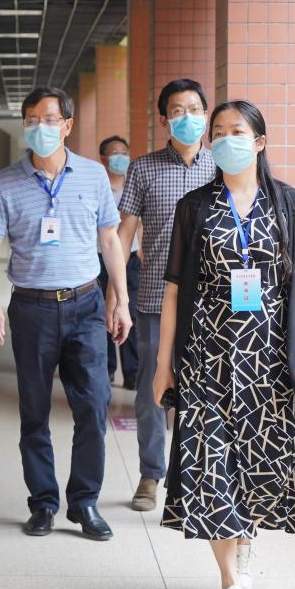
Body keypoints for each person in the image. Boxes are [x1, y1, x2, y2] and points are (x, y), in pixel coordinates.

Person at [153, 100, 295, 589]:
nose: (226, 139)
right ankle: (230, 584)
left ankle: (244, 543)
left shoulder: (288, 204)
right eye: (218, 132)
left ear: (260, 141)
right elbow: (173, 289)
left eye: (237, 131)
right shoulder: (195, 206)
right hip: (206, 357)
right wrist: (163, 363)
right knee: (209, 467)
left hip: (268, 360)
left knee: (258, 463)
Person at [0, 87, 133, 541]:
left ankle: (84, 502)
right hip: (32, 308)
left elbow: (110, 240)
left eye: (49, 119)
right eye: (32, 119)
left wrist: (120, 299)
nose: (40, 127)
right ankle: (43, 503)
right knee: (34, 411)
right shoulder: (7, 182)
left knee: (93, 406)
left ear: (67, 125)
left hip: (86, 304)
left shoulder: (92, 175)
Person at [110, 79, 216, 512]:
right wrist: (116, 294)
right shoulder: (144, 168)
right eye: (177, 110)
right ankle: (151, 475)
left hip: (212, 304)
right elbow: (124, 234)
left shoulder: (223, 167)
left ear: (206, 114)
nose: (187, 117)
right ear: (164, 119)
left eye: (194, 109)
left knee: (206, 391)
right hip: (155, 299)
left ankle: (194, 476)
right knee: (153, 390)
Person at [97, 135, 140, 390]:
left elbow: (140, 225)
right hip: (99, 259)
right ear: (103, 158)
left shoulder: (133, 186)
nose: (121, 157)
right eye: (115, 153)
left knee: (128, 311)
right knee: (103, 311)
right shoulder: (97, 186)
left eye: (124, 152)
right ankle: (107, 369)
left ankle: (132, 372)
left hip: (130, 260)